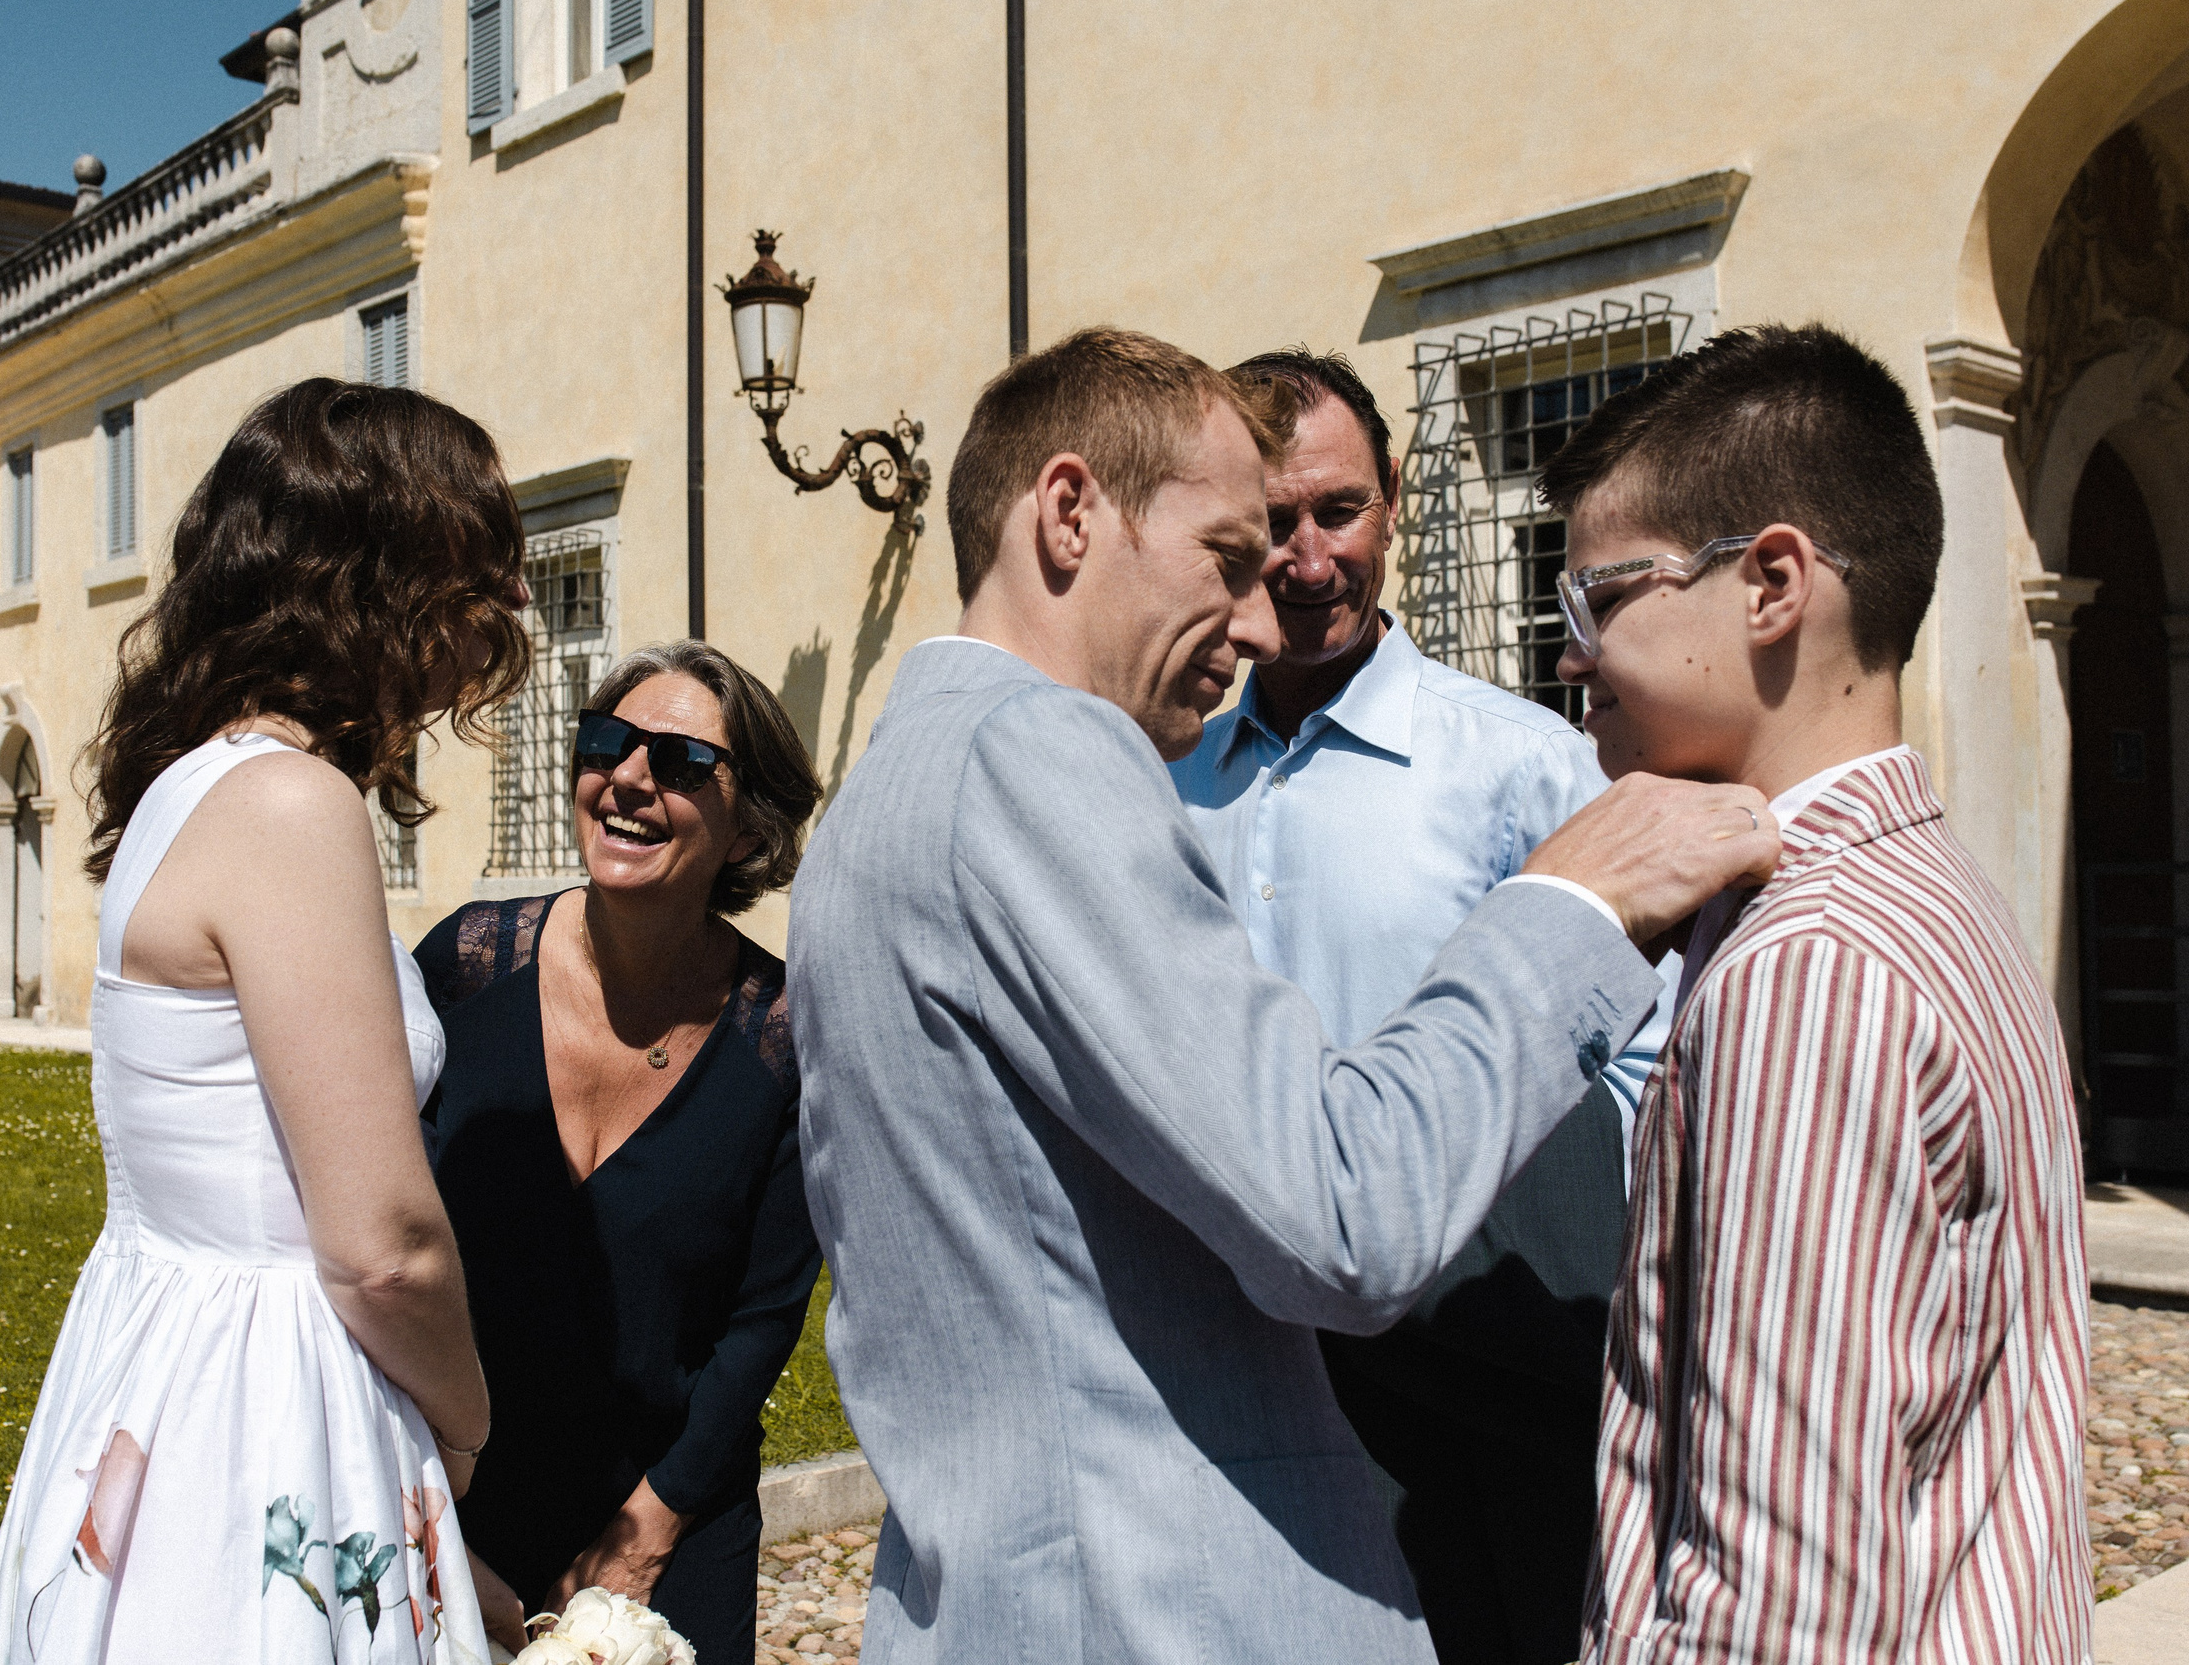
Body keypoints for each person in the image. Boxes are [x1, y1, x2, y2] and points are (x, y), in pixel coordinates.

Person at [787, 326, 1782, 1665]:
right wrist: (1570, 909)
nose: (1265, 619)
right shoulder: (1032, 754)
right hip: (1155, 1607)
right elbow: (1344, 1208)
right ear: (1070, 511)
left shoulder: (896, 781)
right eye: (1225, 559)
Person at [1537, 326, 2091, 1661]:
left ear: (1774, 582)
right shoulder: (1931, 880)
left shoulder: (1808, 966)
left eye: (1594, 601)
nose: (1569, 656)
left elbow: (1775, 1604)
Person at [0, 379, 529, 1665]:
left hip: (159, 1351)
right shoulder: (290, 803)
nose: (493, 621)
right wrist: (462, 1427)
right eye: (476, 574)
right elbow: (382, 1245)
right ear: (383, 580)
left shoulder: (189, 787)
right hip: (264, 1397)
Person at [1171, 347, 1676, 1665]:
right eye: (1268, 525)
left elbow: (1648, 1044)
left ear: (1393, 499)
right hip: (1241, 1365)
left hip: (1483, 1364)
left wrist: (1536, 1255)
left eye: (1334, 510)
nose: (1305, 557)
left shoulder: (1517, 762)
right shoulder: (1168, 789)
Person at [414, 639, 825, 1665]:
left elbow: (762, 1318)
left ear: (746, 833)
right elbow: (369, 1231)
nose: (630, 779)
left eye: (683, 765)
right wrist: (416, 1503)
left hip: (669, 1509)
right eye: (609, 743)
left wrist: (644, 1539)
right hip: (450, 1502)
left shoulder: (782, 1040)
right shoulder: (464, 971)